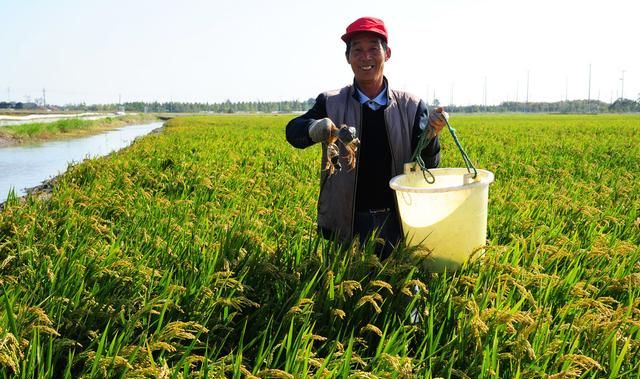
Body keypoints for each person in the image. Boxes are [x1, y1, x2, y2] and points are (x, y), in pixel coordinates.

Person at [286, 16, 447, 258]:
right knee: (344, 290)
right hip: (348, 222)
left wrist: (431, 136)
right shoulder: (331, 102)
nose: (366, 57)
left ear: (388, 53)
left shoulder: (412, 106)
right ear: (348, 57)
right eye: (357, 50)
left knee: (398, 289)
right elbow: (293, 132)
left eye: (374, 49)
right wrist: (313, 128)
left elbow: (429, 166)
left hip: (399, 221)